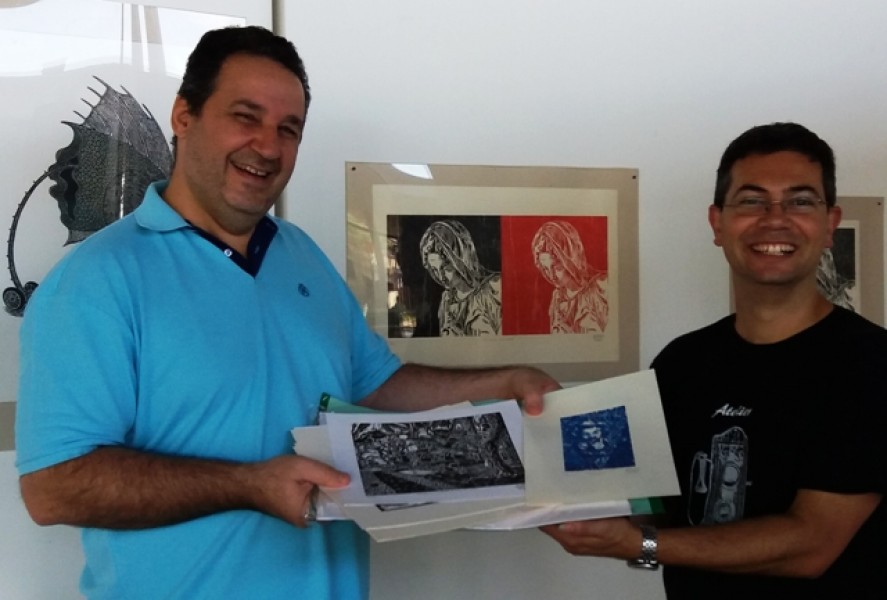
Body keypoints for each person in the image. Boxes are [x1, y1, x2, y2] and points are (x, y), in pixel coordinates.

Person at [15, 26, 559, 600]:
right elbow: (53, 488)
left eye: (288, 129)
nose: (268, 146)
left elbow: (375, 385)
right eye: (245, 117)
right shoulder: (96, 281)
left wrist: (502, 383)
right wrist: (247, 485)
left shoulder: (300, 253)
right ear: (184, 116)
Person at [542, 122, 887, 598]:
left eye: (801, 201)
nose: (775, 219)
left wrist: (639, 544)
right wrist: (549, 491)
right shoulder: (681, 363)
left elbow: (812, 545)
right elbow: (656, 510)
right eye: (751, 201)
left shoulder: (871, 364)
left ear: (830, 224)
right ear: (717, 223)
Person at [419, 219, 502, 336]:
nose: (441, 277)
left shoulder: (495, 288)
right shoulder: (447, 301)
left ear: (459, 260)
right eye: (434, 270)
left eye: (445, 268)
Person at [531, 220, 608, 333]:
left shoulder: (602, 286)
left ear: (571, 260)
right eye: (546, 269)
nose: (552, 276)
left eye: (557, 268)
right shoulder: (557, 298)